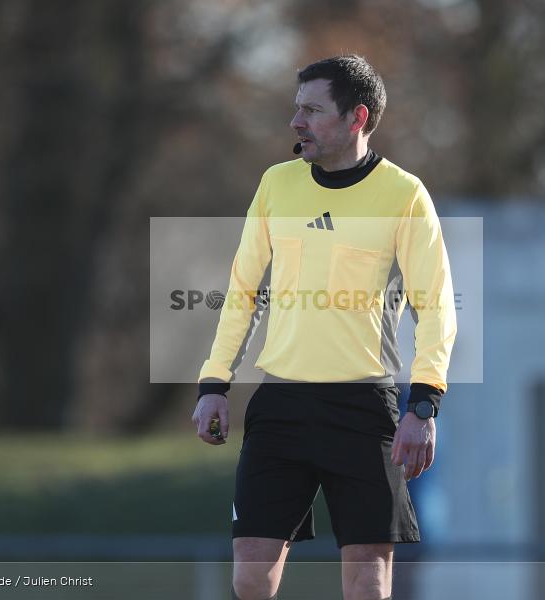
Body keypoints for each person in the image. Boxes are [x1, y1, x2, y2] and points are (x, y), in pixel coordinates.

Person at [191, 55, 457, 600]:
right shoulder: (275, 184)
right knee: (249, 579)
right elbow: (242, 290)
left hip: (364, 412)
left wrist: (423, 404)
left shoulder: (404, 195)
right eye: (296, 109)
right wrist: (214, 384)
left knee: (367, 583)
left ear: (357, 117)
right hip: (280, 407)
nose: (296, 122)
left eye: (312, 110)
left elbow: (435, 307)